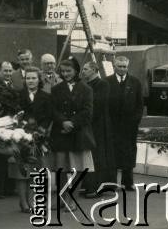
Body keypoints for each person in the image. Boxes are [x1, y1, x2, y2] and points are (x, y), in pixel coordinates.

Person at [50, 57, 94, 211]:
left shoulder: (86, 89)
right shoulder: (56, 89)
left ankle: (72, 200)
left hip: (79, 134)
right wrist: (63, 122)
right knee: (61, 170)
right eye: (62, 71)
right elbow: (53, 110)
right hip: (61, 133)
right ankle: (61, 200)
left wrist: (72, 123)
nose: (65, 74)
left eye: (68, 71)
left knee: (78, 169)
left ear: (76, 70)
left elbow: (87, 112)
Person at [11, 66, 52, 212]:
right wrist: (22, 127)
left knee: (35, 170)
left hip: (39, 138)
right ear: (24, 80)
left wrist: (41, 131)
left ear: (39, 79)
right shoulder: (18, 96)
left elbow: (48, 117)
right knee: (22, 170)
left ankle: (32, 200)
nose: (31, 81)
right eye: (28, 78)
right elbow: (14, 115)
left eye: (34, 78)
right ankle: (23, 202)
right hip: (20, 136)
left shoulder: (46, 96)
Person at [106, 56, 143, 191]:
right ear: (114, 66)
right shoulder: (107, 82)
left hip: (129, 126)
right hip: (112, 126)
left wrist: (135, 121)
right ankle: (111, 183)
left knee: (129, 153)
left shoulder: (135, 82)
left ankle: (128, 182)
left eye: (125, 66)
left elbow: (140, 105)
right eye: (120, 66)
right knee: (112, 153)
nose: (122, 69)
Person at [81, 61, 115, 198]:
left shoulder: (103, 85)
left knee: (98, 155)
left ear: (94, 70)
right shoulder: (85, 85)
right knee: (89, 156)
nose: (83, 71)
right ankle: (88, 185)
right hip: (88, 124)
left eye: (86, 69)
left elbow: (99, 105)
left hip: (99, 125)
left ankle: (97, 187)